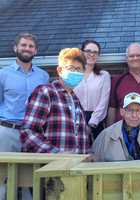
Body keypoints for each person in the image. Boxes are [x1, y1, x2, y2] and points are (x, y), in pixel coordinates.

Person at [0, 32, 49, 199]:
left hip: (33, 133)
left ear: (35, 51)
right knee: (2, 179)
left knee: (31, 180)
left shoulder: (43, 76)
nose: (27, 49)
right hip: (8, 131)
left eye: (30, 46)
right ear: (15, 48)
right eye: (23, 45)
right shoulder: (3, 74)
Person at [20, 48, 90, 154]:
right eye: (71, 68)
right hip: (50, 166)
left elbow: (81, 136)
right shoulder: (45, 92)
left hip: (75, 167)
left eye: (78, 69)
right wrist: (55, 154)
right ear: (60, 70)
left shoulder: (76, 100)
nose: (75, 72)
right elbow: (28, 132)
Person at [92, 92, 140, 161]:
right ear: (122, 112)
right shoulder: (107, 134)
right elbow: (94, 159)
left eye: (138, 111)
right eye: (130, 111)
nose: (134, 115)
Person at [107, 43, 140, 126]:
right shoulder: (117, 80)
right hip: (123, 135)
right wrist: (110, 131)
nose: (135, 58)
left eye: (139, 55)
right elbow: (112, 108)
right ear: (126, 59)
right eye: (131, 56)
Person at [74, 40, 111, 141]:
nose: (91, 54)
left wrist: (91, 123)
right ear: (82, 53)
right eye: (88, 51)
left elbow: (103, 102)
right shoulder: (73, 74)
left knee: (95, 154)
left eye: (95, 52)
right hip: (74, 121)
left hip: (95, 122)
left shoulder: (104, 76)